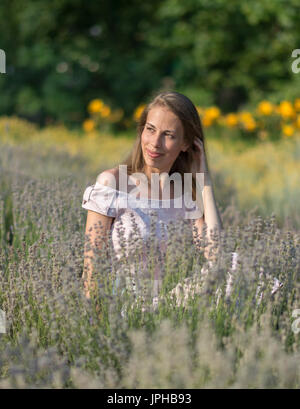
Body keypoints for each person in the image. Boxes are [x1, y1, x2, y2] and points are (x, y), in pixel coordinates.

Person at [81, 91, 223, 305]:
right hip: (122, 308)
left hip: (169, 307)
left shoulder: (185, 195)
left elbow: (216, 253)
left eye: (169, 135)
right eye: (151, 129)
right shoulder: (112, 184)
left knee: (231, 265)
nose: (155, 143)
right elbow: (91, 271)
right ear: (141, 131)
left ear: (186, 144)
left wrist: (205, 181)